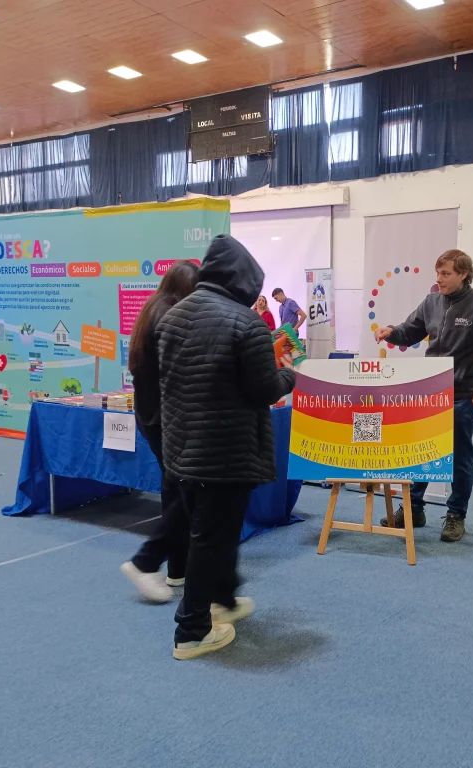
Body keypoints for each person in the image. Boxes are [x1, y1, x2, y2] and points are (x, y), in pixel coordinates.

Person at [156, 234, 296, 660]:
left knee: (209, 535)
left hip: (181, 449)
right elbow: (264, 390)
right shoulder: (246, 323)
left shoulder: (172, 317)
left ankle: (223, 601)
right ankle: (192, 631)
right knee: (212, 540)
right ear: (244, 279)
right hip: (226, 454)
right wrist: (292, 375)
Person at [374, 249, 473, 543]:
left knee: (459, 458)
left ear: (464, 274)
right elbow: (409, 331)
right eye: (437, 273)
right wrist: (391, 331)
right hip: (429, 393)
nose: (439, 279)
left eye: (446, 274)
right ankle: (412, 509)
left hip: (461, 396)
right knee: (421, 452)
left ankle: (455, 516)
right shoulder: (431, 301)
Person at [120, 261, 199, 604]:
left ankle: (177, 569)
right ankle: (146, 561)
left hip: (152, 415)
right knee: (186, 491)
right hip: (165, 418)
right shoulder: (170, 318)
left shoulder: (153, 309)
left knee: (175, 488)